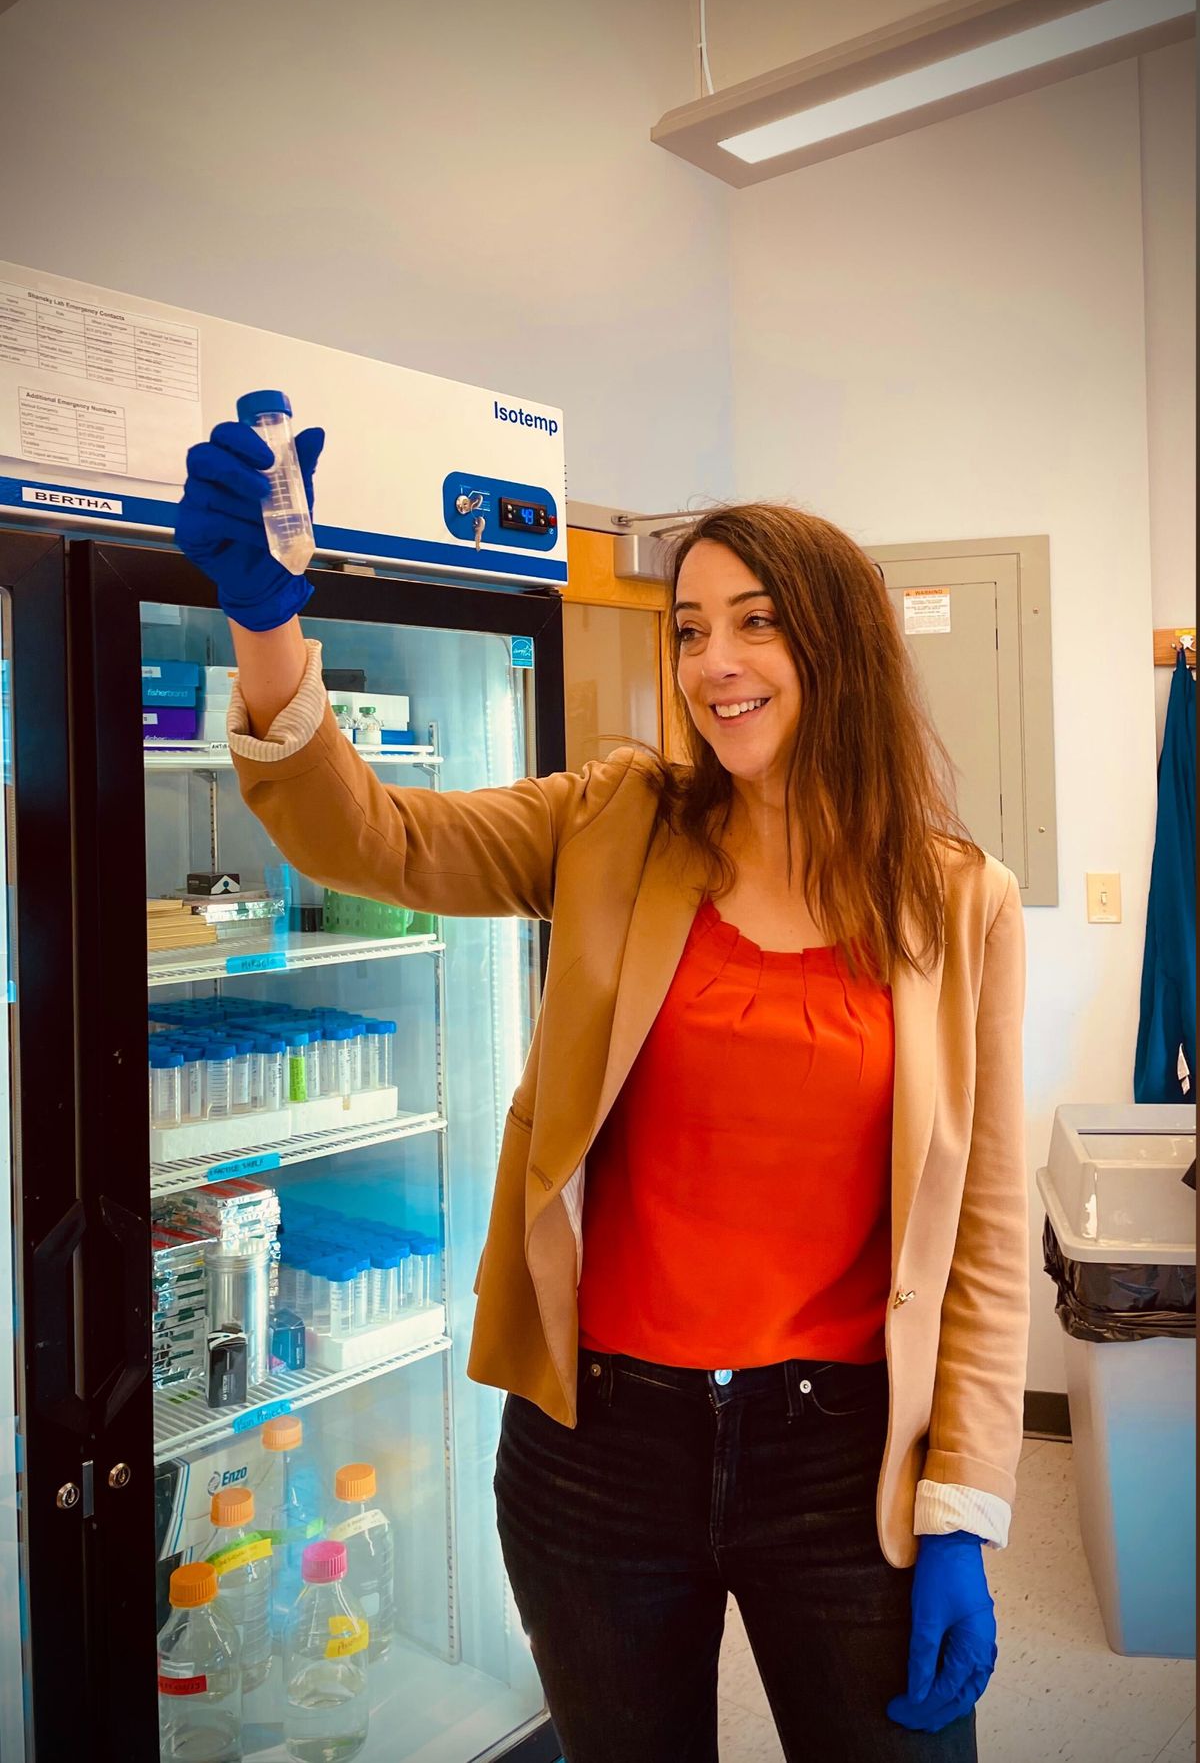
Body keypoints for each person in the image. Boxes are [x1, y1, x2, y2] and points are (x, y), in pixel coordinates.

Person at [177, 422, 1029, 1763]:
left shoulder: (956, 900)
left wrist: (966, 1507)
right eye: (689, 629)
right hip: (599, 1449)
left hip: (845, 1453)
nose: (713, 665)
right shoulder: (617, 821)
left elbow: (981, 1233)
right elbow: (375, 836)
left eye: (753, 624)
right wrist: (269, 624)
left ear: (841, 646)